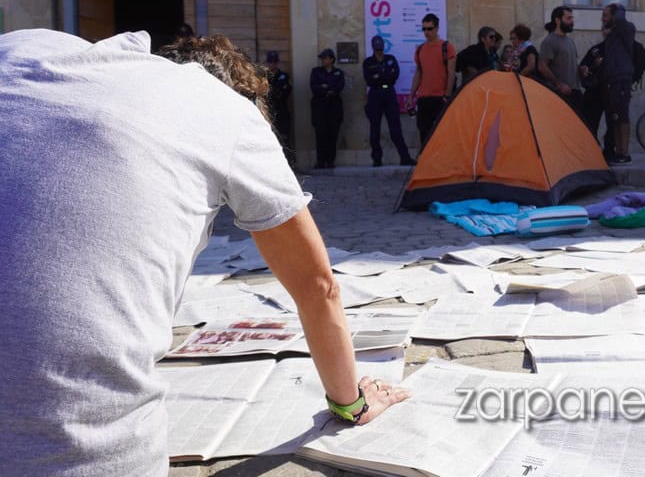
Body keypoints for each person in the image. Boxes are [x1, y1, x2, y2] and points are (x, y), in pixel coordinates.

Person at [0, 29, 408, 475]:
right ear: (250, 99)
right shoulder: (226, 110)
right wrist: (351, 404)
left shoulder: (26, 47)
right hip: (71, 448)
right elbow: (318, 286)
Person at [362, 35, 415, 167]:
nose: (379, 50)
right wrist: (384, 77)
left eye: (380, 48)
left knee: (395, 128)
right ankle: (377, 159)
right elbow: (369, 80)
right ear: (373, 48)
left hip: (389, 93)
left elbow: (394, 76)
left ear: (383, 47)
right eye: (377, 48)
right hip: (375, 95)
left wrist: (379, 76)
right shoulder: (368, 62)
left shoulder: (390, 59)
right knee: (375, 128)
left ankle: (405, 158)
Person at [405, 13, 457, 147]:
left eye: (430, 28)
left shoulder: (447, 47)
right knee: (424, 133)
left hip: (441, 98)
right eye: (424, 29)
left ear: (437, 28)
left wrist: (447, 95)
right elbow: (418, 73)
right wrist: (411, 96)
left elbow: (451, 73)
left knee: (442, 134)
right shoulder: (420, 49)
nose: (426, 32)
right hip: (423, 98)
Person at [598, 2, 636, 165]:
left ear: (615, 16)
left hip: (622, 78)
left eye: (605, 15)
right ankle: (615, 150)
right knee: (613, 117)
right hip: (611, 79)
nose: (602, 18)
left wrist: (618, 15)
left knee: (622, 116)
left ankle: (624, 152)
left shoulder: (625, 27)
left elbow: (623, 25)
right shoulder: (611, 33)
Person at [538, 5, 588, 115]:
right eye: (568, 18)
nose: (572, 21)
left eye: (572, 18)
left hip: (575, 91)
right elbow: (542, 67)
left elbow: (569, 64)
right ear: (557, 20)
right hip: (559, 93)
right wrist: (559, 84)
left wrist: (580, 69)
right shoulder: (549, 41)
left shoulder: (570, 41)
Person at [310, 48, 345, 169]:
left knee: (333, 134)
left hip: (334, 107)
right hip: (320, 107)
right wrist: (327, 88)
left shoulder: (338, 73)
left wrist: (325, 86)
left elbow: (339, 86)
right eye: (322, 58)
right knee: (320, 134)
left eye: (325, 58)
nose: (323, 60)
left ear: (331, 59)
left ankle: (330, 161)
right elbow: (314, 87)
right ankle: (320, 161)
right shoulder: (316, 72)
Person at [265, 50, 295, 166]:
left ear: (277, 62)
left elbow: (285, 92)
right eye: (270, 62)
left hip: (281, 111)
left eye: (274, 62)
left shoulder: (284, 76)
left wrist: (274, 91)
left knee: (284, 138)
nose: (272, 64)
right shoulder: (264, 76)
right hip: (268, 111)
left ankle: (289, 164)